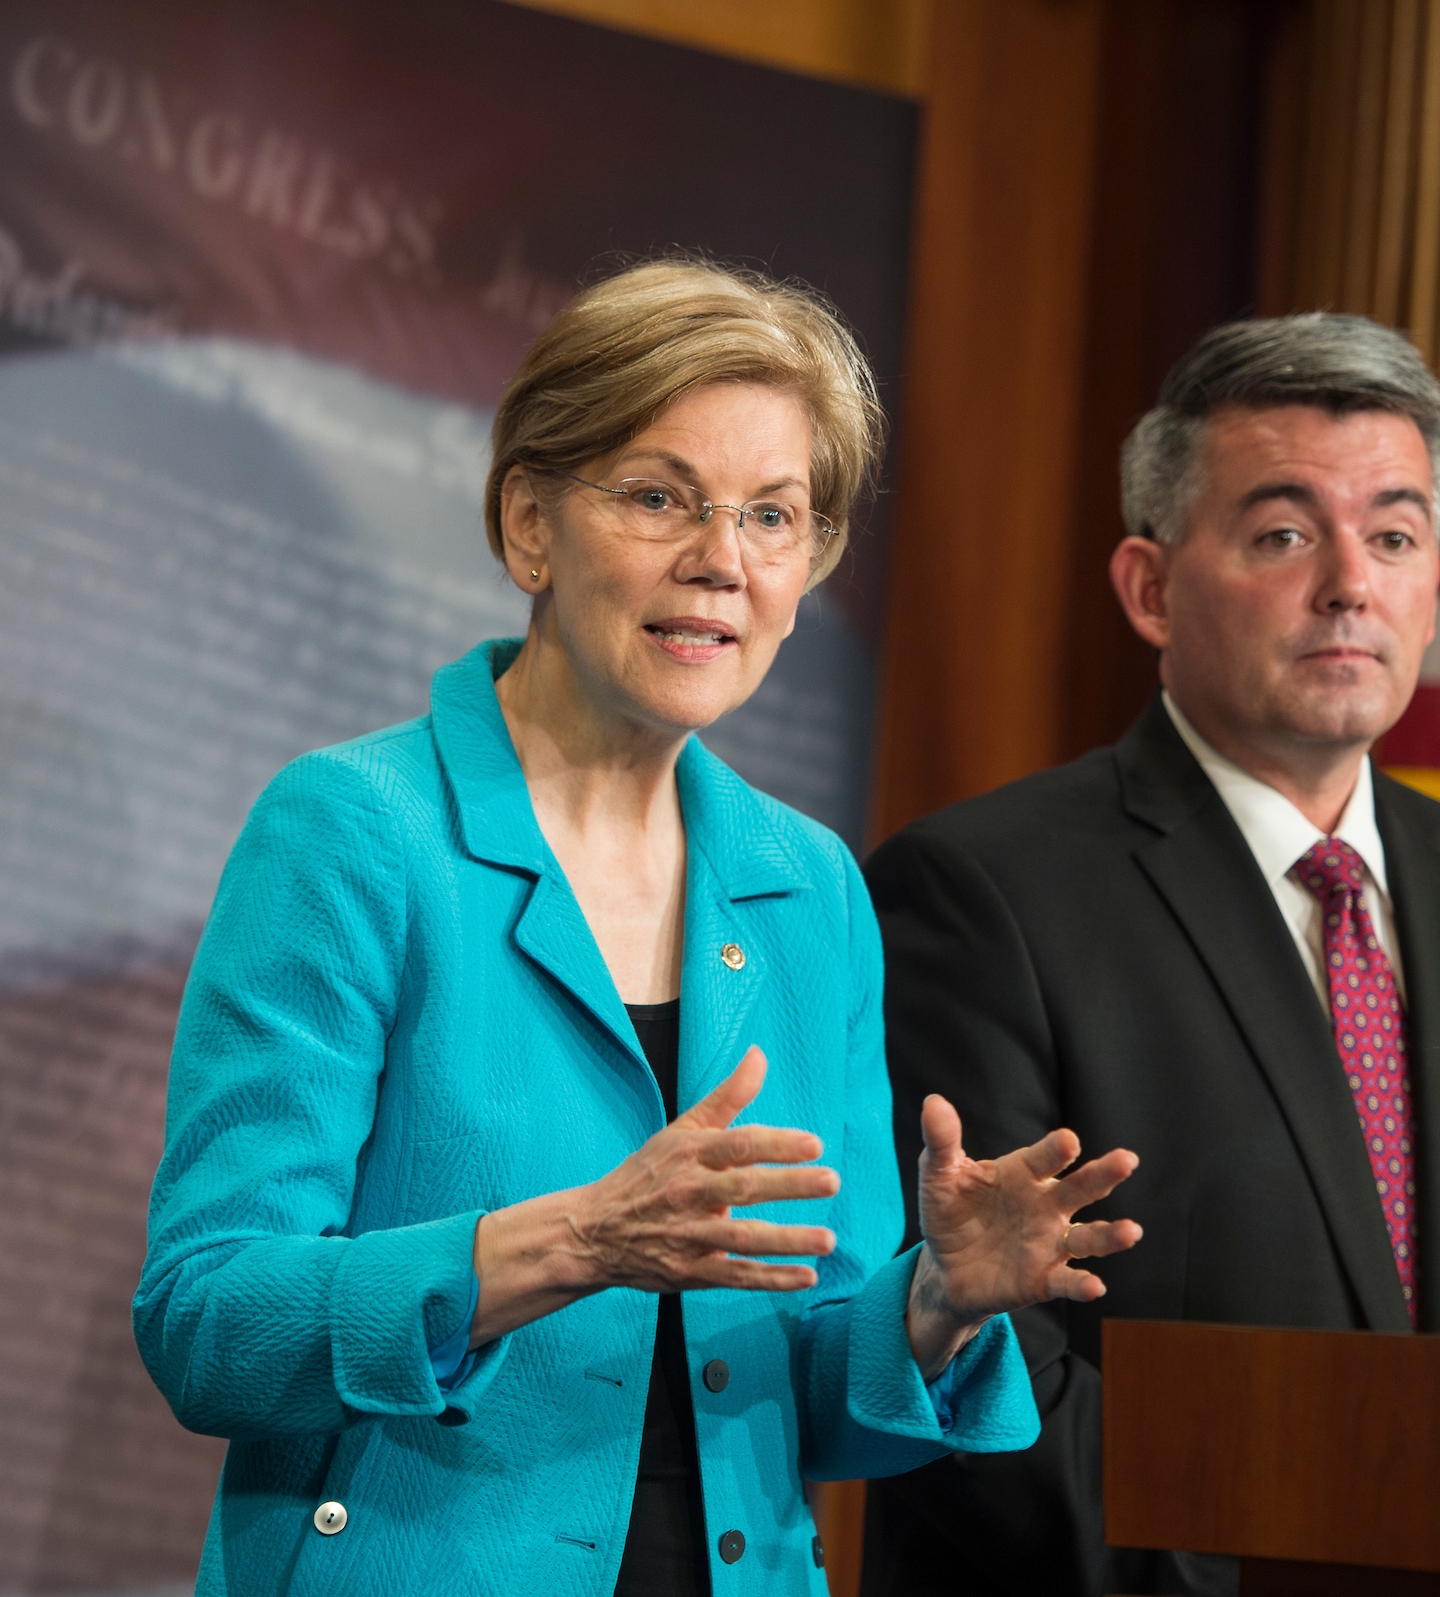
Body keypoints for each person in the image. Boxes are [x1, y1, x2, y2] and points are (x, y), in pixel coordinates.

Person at [134, 259, 1141, 1597]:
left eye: (773, 517)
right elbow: (207, 1320)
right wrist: (577, 1241)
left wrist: (938, 1299)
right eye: (660, 496)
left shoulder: (810, 885)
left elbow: (810, 1397)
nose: (721, 561)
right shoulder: (354, 829)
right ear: (530, 527)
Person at [859, 313, 1440, 1597]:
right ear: (1150, 587)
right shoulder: (982, 893)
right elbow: (988, 1357)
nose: (1350, 583)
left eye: (1396, 535)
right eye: (1284, 533)